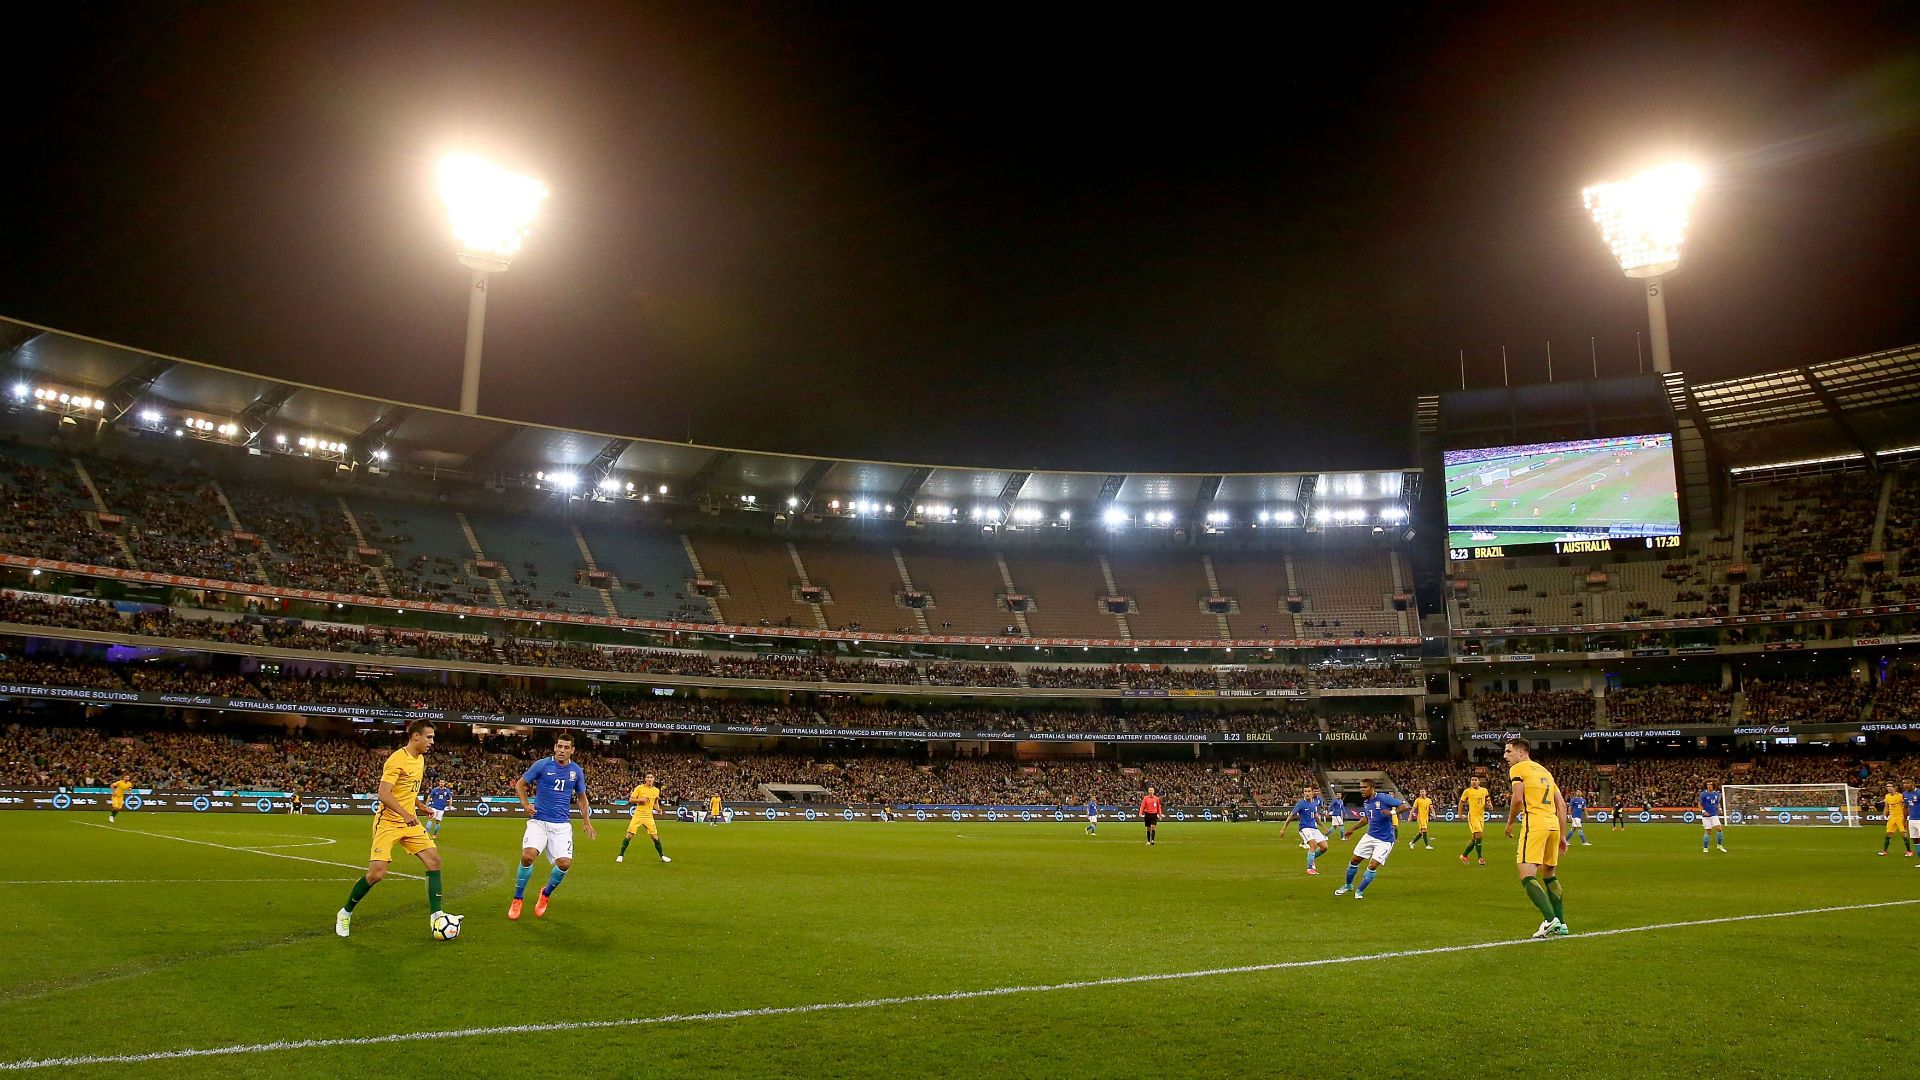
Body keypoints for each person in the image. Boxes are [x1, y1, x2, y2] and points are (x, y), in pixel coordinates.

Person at [335, 719, 457, 940]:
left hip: (409, 822)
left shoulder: (420, 759)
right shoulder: (396, 760)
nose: (432, 742)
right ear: (415, 736)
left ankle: (436, 915)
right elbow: (384, 794)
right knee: (376, 874)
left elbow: (408, 791)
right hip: (389, 823)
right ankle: (345, 913)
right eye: (429, 737)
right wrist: (406, 814)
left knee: (434, 860)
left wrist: (420, 806)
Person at [508, 733, 596, 921]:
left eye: (566, 748)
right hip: (538, 821)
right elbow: (520, 784)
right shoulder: (542, 765)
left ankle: (545, 894)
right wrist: (525, 804)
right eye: (559, 747)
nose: (562, 751)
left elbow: (581, 798)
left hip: (561, 825)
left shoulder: (576, 771)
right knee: (528, 856)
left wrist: (586, 821)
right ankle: (518, 898)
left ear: (573, 750)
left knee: (564, 864)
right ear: (555, 747)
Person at [1504, 737, 1569, 938]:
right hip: (1552, 825)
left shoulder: (1518, 769)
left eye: (1509, 751)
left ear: (1521, 752)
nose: (1505, 756)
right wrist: (1562, 835)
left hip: (1535, 823)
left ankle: (1550, 920)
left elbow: (1517, 799)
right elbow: (1562, 805)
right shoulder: (1545, 771)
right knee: (1549, 874)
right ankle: (1562, 923)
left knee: (1526, 873)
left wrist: (1510, 822)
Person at [1334, 779, 1403, 899]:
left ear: (1372, 788)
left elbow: (1405, 806)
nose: (1362, 789)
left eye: (1365, 787)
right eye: (1360, 787)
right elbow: (1366, 819)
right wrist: (1352, 829)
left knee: (1372, 865)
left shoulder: (1383, 798)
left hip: (1385, 840)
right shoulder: (1366, 802)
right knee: (1354, 861)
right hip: (1370, 836)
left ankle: (1359, 891)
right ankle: (1348, 885)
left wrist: (1393, 813)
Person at [619, 772, 671, 864]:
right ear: (645, 779)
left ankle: (662, 856)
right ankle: (621, 855)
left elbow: (655, 802)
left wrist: (658, 809)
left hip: (648, 816)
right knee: (629, 835)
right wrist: (640, 800)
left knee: (654, 837)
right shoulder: (639, 788)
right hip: (638, 814)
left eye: (651, 777)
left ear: (654, 779)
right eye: (648, 777)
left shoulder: (656, 790)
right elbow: (631, 799)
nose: (650, 779)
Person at [1284, 785, 1328, 875]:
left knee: (1324, 847)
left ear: (1312, 793)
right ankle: (1310, 868)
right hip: (1304, 828)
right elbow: (1291, 815)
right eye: (1305, 792)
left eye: (1308, 791)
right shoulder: (1301, 804)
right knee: (1313, 845)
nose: (1307, 793)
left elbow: (1316, 817)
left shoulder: (1314, 804)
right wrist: (1284, 828)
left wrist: (1323, 827)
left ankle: (1311, 858)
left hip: (1314, 828)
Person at [1458, 778, 1488, 864]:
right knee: (1479, 835)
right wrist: (1460, 814)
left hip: (1481, 817)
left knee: (1474, 838)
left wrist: (1490, 805)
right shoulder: (1467, 791)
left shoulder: (1484, 790)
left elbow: (1488, 800)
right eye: (1472, 780)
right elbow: (1461, 802)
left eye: (1475, 780)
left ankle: (1464, 855)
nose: (1473, 781)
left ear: (1479, 782)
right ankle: (1480, 857)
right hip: (1473, 816)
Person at [1878, 782, 1909, 857]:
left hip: (1900, 817)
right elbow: (1886, 806)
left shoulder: (1900, 796)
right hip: (1892, 817)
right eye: (1887, 786)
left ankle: (1909, 851)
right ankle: (1885, 851)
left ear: (1894, 787)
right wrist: (1883, 815)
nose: (1888, 788)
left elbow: (1905, 806)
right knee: (1888, 834)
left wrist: (1905, 816)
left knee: (1903, 834)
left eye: (1890, 786)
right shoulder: (1887, 796)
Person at [1699, 782, 1728, 854]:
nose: (1709, 786)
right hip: (1706, 816)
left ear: (1713, 786)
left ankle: (1719, 845)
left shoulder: (1716, 794)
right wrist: (1703, 811)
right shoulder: (1703, 794)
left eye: (1710, 785)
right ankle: (1705, 848)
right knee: (1708, 831)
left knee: (1719, 828)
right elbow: (1699, 803)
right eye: (1707, 785)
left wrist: (1720, 808)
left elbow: (1717, 803)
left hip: (1714, 815)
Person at [1904, 780, 1920, 861]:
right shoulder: (1905, 794)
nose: (1906, 785)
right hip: (1911, 819)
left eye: (1907, 783)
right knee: (1915, 840)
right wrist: (1904, 820)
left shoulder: (1918, 793)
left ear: (1913, 784)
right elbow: (1906, 807)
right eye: (1904, 783)